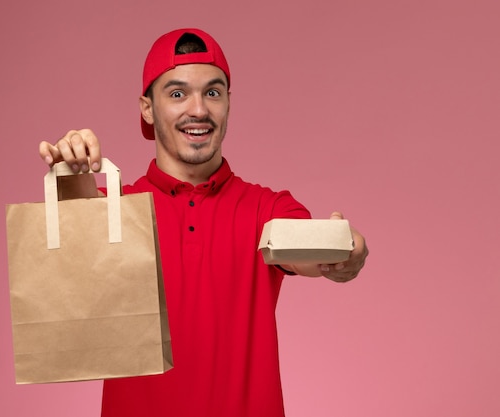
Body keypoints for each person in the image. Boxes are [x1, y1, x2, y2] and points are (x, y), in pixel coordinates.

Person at [39, 28, 368, 417]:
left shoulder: (266, 208)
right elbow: (74, 247)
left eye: (212, 92)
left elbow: (312, 251)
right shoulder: (117, 208)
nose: (198, 110)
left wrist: (347, 251)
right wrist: (71, 171)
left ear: (228, 102)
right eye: (177, 94)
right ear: (147, 108)